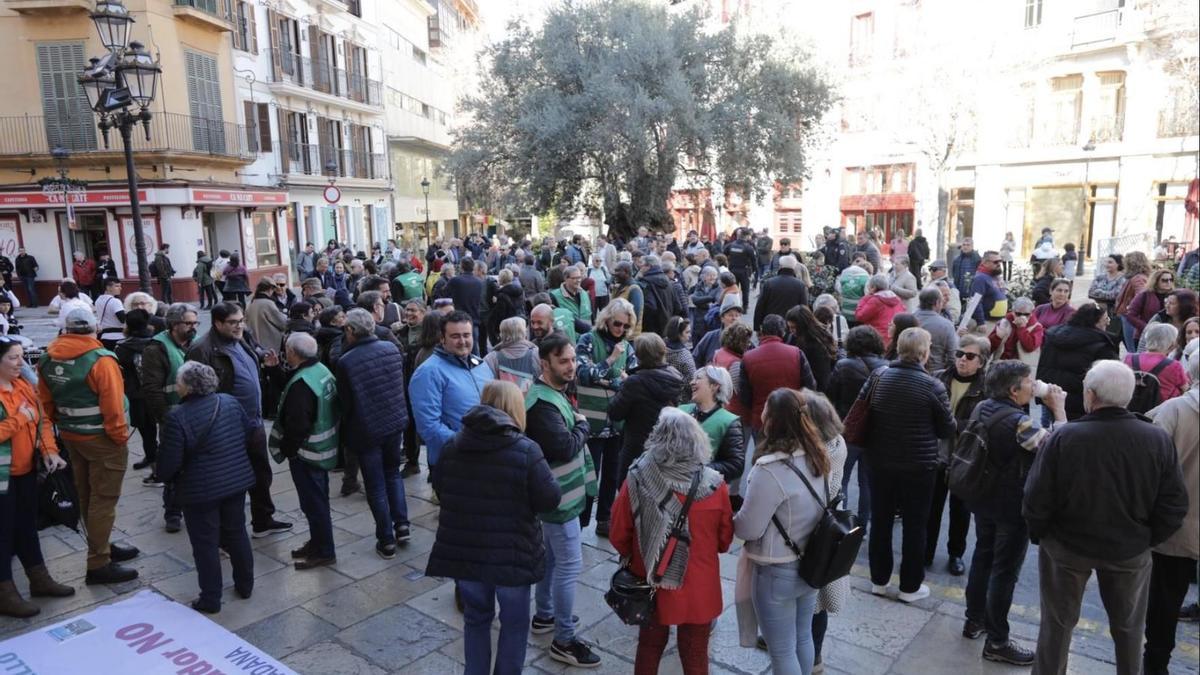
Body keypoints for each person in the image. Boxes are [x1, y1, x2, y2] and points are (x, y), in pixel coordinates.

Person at [1024, 361, 1188, 675]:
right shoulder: (1156, 439)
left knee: (1057, 625)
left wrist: (1042, 535)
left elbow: (1036, 497)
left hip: (1067, 546)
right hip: (1129, 548)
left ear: (1090, 395)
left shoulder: (1066, 437)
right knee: (1128, 629)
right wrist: (1147, 538)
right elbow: (1174, 504)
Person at [427, 380, 560, 675]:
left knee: (476, 619)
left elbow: (441, 487)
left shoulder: (453, 445)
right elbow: (550, 500)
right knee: (514, 624)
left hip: (467, 555)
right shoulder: (526, 450)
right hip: (511, 556)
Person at [955, 360, 1065, 664]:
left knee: (982, 556)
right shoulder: (1021, 423)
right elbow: (1058, 450)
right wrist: (1058, 410)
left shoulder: (985, 407)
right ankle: (998, 641)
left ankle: (974, 619)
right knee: (1004, 571)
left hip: (983, 498)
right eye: (1029, 382)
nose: (1034, 385)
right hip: (1011, 506)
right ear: (1014, 389)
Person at [611, 409, 732, 675]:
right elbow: (724, 541)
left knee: (650, 647)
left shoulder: (638, 476)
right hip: (700, 587)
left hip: (652, 582)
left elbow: (618, 534)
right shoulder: (715, 485)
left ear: (657, 438)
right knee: (695, 654)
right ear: (698, 441)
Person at [734, 388, 835, 674]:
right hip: (811, 564)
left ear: (771, 420)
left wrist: (730, 518)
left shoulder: (770, 469)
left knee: (781, 652)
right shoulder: (818, 455)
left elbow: (748, 527)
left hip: (776, 569)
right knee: (803, 638)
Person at [37, 308, 139, 584]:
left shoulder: (47, 358)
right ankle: (98, 563)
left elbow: (44, 405)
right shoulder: (100, 360)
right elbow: (114, 408)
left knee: (86, 494)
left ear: (66, 330)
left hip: (72, 437)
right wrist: (119, 439)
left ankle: (102, 544)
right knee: (103, 499)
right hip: (103, 439)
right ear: (94, 329)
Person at [524, 334, 602, 667]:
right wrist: (584, 425)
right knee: (569, 566)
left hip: (558, 497)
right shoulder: (543, 404)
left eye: (572, 359)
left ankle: (545, 615)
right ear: (545, 364)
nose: (571, 367)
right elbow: (565, 446)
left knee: (553, 561)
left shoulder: (553, 393)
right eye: (563, 361)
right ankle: (564, 639)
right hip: (559, 502)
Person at [154, 361, 255, 614]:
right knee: (236, 532)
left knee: (205, 544)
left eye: (178, 382)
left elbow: (167, 465)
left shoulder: (177, 417)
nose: (176, 386)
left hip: (200, 491)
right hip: (235, 481)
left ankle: (211, 598)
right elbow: (246, 431)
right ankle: (246, 585)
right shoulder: (229, 402)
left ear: (187, 387)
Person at [864, 327, 955, 602]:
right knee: (916, 525)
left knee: (880, 520)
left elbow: (863, 411)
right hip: (919, 465)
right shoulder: (933, 386)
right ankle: (910, 586)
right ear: (925, 354)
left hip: (880, 460)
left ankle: (878, 580)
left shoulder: (879, 376)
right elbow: (947, 429)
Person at [186, 302, 291, 538]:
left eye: (241, 320)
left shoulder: (241, 337)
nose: (239, 326)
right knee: (229, 480)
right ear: (217, 323)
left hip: (252, 421)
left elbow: (253, 353)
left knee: (261, 472)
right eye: (233, 322)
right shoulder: (202, 349)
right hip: (226, 426)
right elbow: (196, 392)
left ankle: (263, 520)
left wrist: (264, 360)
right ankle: (225, 534)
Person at [0, 335, 73, 618]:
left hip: (26, 471)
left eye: (21, 355)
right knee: (3, 533)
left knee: (27, 526)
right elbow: (25, 420)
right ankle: (5, 593)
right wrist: (21, 418)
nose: (21, 362)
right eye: (13, 357)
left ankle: (39, 578)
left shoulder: (23, 386)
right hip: (3, 477)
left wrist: (49, 452)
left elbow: (41, 422)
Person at [336, 309, 411, 557]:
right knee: (393, 475)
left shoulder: (346, 361)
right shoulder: (390, 349)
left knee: (376, 485)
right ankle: (402, 525)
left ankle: (386, 538)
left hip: (366, 429)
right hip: (394, 422)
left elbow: (345, 404)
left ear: (352, 331)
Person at [1143, 350, 1199, 675]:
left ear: (1189, 376)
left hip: (1175, 528)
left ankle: (1156, 665)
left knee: (1164, 603)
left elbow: (1147, 469)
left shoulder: (1172, 411)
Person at [268, 333, 339, 570]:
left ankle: (325, 551)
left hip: (308, 454)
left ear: (292, 353)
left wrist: (288, 450)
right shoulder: (320, 370)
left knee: (314, 504)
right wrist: (275, 371)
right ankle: (318, 542)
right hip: (323, 450)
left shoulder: (302, 383)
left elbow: (298, 424)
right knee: (317, 502)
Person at [925, 334, 990, 579]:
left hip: (966, 458)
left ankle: (956, 554)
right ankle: (926, 552)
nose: (962, 360)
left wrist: (951, 424)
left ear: (981, 362)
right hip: (936, 454)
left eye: (969, 356)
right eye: (959, 354)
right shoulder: (938, 377)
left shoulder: (986, 387)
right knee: (931, 509)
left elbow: (982, 424)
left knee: (960, 511)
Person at [576, 298, 638, 536]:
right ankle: (581, 521)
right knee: (590, 475)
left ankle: (604, 519)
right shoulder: (588, 340)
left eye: (625, 326)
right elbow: (582, 374)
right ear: (607, 320)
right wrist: (611, 361)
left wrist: (607, 379)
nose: (621, 329)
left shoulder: (628, 347)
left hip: (616, 424)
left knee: (612, 475)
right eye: (617, 324)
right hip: (591, 423)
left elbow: (631, 381)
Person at [410, 311, 494, 483]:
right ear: (442, 338)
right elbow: (429, 427)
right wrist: (467, 444)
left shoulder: (481, 364)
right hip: (454, 461)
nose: (462, 341)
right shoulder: (429, 372)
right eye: (455, 336)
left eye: (466, 335)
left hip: (487, 453)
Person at [140, 304, 198, 530]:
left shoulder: (195, 343)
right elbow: (152, 389)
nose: (194, 327)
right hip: (173, 417)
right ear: (174, 325)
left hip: (197, 415)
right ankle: (172, 512)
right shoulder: (156, 349)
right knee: (174, 466)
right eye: (189, 323)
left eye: (195, 323)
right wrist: (166, 417)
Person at [826, 325, 887, 525]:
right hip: (874, 434)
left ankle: (837, 520)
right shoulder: (887, 367)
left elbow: (830, 397)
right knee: (866, 483)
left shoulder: (843, 365)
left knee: (839, 478)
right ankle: (862, 524)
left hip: (847, 431)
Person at [609, 333, 685, 489]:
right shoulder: (675, 377)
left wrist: (623, 385)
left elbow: (615, 413)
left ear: (639, 356)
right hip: (664, 447)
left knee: (628, 493)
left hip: (636, 448)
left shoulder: (635, 382)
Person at [1036, 303, 1119, 419]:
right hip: (1082, 408)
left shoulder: (1053, 337)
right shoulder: (1102, 347)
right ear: (1094, 322)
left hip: (1050, 399)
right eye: (1105, 319)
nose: (1108, 322)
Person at [740, 315, 816, 438]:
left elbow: (744, 396)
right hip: (792, 418)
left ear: (762, 331)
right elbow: (810, 386)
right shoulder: (797, 353)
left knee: (762, 456)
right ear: (783, 332)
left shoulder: (748, 357)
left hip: (761, 421)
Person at [114, 308, 156, 478]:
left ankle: (156, 468)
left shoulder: (121, 347)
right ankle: (154, 459)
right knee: (157, 431)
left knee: (146, 432)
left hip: (137, 395)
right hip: (157, 391)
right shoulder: (156, 342)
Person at [1125, 323, 1189, 403]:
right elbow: (1186, 391)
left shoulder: (1129, 359)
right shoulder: (1174, 366)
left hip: (1133, 409)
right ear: (1173, 345)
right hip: (1162, 411)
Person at [784, 306, 837, 392]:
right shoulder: (794, 338)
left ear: (802, 326)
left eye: (793, 327)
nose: (791, 331)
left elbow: (822, 378)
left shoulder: (816, 345)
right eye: (789, 327)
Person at [484, 316, 542, 394]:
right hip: (532, 403)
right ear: (524, 333)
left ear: (502, 334)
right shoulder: (537, 354)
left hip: (503, 404)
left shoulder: (491, 358)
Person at [753, 254, 808, 332]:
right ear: (794, 267)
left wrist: (757, 327)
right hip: (791, 327)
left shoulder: (769, 283)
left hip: (771, 326)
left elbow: (760, 306)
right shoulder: (800, 285)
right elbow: (804, 308)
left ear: (780, 266)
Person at [1124, 268, 1175, 347]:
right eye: (1164, 280)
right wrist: (1147, 327)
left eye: (1171, 280)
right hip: (1145, 336)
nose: (1168, 282)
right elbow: (1131, 315)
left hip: (1169, 336)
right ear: (1156, 281)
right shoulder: (1144, 295)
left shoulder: (1175, 295)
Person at [1113, 251, 1152, 352]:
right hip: (1127, 316)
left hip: (1129, 317)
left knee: (1132, 348)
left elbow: (1141, 295)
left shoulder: (1138, 278)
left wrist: (1130, 308)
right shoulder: (1137, 277)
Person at [913, 287, 960, 372]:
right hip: (935, 372)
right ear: (937, 303)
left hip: (910, 369)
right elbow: (953, 355)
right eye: (942, 301)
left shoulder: (910, 317)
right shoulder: (946, 325)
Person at [988, 297, 1044, 363]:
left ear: (1031, 313)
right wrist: (997, 337)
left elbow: (1030, 347)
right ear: (1013, 312)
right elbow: (989, 347)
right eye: (1018, 314)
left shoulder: (1036, 327)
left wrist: (1021, 328)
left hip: (1021, 367)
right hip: (1000, 362)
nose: (1022, 317)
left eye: (1026, 314)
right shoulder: (1005, 322)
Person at [855, 274, 905, 347]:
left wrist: (864, 299)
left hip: (877, 337)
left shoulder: (875, 300)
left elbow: (860, 316)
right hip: (893, 336)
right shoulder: (897, 299)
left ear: (873, 287)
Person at [246, 278, 287, 361]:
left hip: (256, 345)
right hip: (270, 346)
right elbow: (283, 324)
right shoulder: (268, 303)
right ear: (270, 289)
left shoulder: (251, 303)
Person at [968, 250, 1007, 328]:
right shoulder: (980, 278)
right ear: (985, 263)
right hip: (987, 322)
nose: (999, 264)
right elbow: (976, 301)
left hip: (998, 321)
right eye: (996, 262)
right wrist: (981, 322)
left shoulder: (996, 276)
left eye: (1000, 261)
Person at [663, 316, 695, 402]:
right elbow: (692, 382)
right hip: (680, 399)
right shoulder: (685, 356)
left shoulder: (660, 347)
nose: (690, 335)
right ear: (678, 334)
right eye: (687, 332)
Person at [610, 261, 646, 337]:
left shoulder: (634, 290)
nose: (615, 275)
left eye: (618, 272)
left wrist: (625, 332)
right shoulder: (618, 287)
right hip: (618, 333)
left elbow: (634, 316)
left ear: (626, 272)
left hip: (629, 337)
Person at [724, 228, 756, 310]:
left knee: (733, 288)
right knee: (745, 290)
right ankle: (745, 307)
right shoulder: (748, 247)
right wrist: (755, 272)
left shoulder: (731, 245)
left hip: (733, 269)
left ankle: (733, 305)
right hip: (744, 270)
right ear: (747, 236)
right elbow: (754, 261)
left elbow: (724, 254)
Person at [835, 256, 870, 324]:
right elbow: (867, 294)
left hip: (845, 312)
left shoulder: (845, 275)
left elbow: (839, 289)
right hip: (859, 314)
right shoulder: (865, 278)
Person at [93, 277, 126, 350]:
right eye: (117, 286)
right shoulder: (115, 301)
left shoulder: (98, 300)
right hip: (118, 337)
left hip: (104, 337)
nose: (120, 288)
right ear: (108, 287)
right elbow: (122, 319)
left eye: (120, 286)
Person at [951, 238, 982, 303]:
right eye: (964, 245)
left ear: (972, 246)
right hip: (958, 291)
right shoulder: (956, 259)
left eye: (968, 245)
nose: (965, 247)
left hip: (971, 292)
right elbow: (954, 274)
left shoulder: (977, 259)